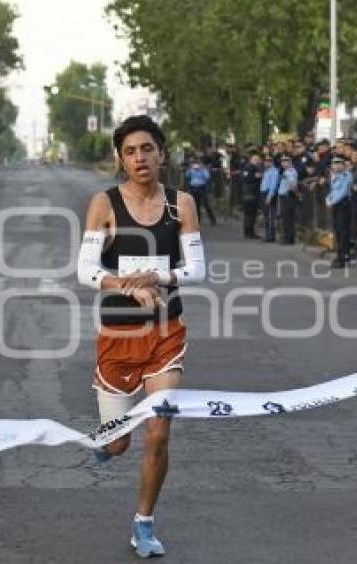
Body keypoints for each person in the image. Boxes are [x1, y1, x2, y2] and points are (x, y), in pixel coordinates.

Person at [76, 115, 205, 557]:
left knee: (158, 431)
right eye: (130, 152)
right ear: (120, 159)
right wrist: (128, 285)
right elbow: (86, 270)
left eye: (146, 149)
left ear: (161, 153)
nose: (139, 158)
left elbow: (198, 269)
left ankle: (143, 524)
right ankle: (108, 439)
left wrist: (160, 275)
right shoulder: (104, 204)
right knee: (119, 442)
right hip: (118, 335)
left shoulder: (180, 205)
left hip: (166, 333)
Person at [326, 156, 353, 267]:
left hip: (343, 204)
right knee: (337, 230)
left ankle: (342, 257)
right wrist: (328, 199)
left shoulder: (347, 175)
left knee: (343, 231)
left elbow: (343, 191)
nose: (336, 166)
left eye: (338, 164)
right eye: (334, 164)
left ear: (343, 165)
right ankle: (341, 254)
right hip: (335, 204)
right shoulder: (334, 176)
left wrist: (332, 201)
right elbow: (333, 190)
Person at [275, 155, 299, 244]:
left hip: (287, 196)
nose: (283, 163)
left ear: (290, 163)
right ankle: (288, 237)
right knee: (286, 218)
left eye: (286, 162)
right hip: (285, 196)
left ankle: (288, 238)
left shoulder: (289, 172)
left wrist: (293, 192)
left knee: (287, 218)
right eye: (282, 162)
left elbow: (292, 183)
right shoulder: (286, 171)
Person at [185, 157, 216, 226]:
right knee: (196, 205)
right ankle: (197, 220)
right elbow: (187, 175)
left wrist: (201, 170)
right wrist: (190, 168)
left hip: (201, 187)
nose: (196, 165)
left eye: (198, 163)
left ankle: (213, 220)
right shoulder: (191, 169)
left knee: (206, 204)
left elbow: (207, 177)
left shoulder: (204, 169)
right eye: (196, 163)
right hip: (193, 188)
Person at [241, 152, 263, 239]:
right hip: (250, 193)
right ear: (251, 160)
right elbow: (246, 178)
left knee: (250, 213)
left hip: (252, 193)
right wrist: (255, 176)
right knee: (250, 213)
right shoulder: (249, 167)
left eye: (258, 159)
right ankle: (249, 232)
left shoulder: (255, 167)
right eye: (255, 159)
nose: (257, 161)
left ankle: (249, 231)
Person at [260, 155, 280, 242]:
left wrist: (270, 195)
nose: (266, 163)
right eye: (265, 161)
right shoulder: (266, 171)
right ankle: (267, 234)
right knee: (266, 215)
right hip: (264, 192)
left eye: (269, 161)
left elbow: (273, 185)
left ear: (272, 162)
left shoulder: (274, 171)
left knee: (270, 215)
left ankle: (271, 236)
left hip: (269, 193)